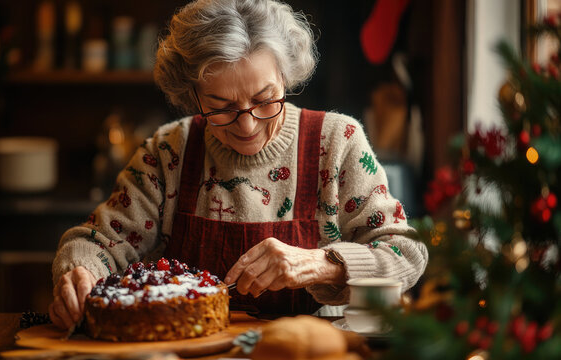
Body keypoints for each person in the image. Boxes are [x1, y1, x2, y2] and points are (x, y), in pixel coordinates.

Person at [49, 0, 428, 330]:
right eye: (221, 107)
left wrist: (320, 263)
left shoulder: (338, 142)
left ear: (285, 76)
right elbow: (96, 243)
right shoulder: (168, 151)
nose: (247, 126)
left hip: (309, 349)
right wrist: (79, 274)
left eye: (265, 99)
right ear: (191, 93)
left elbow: (406, 254)